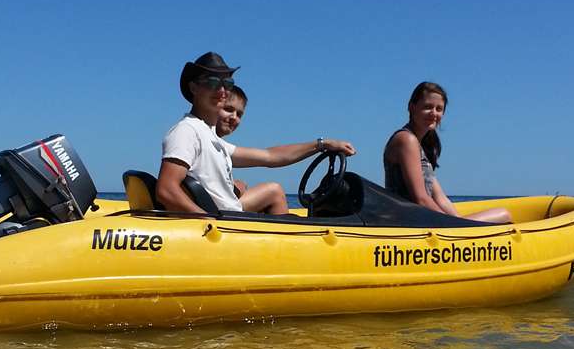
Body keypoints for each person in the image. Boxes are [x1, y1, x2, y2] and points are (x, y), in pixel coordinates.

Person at [157, 52, 356, 215]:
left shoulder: (209, 136)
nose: (222, 90)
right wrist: (209, 222)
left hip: (227, 215)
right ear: (193, 88)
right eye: (211, 82)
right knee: (275, 191)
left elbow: (271, 156)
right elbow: (166, 190)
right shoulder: (187, 131)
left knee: (271, 190)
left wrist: (322, 144)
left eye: (227, 84)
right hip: (223, 223)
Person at [383, 82, 511, 223]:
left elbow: (440, 198)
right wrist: (452, 224)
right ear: (411, 107)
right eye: (427, 107)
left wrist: (457, 220)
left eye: (439, 109)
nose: (434, 113)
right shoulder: (406, 139)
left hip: (423, 219)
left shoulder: (420, 146)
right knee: (503, 214)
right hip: (410, 223)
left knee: (502, 214)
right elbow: (420, 198)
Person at [216, 85, 249, 196]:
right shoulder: (191, 133)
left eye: (239, 114)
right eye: (228, 109)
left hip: (215, 206)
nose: (234, 117)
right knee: (274, 191)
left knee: (241, 185)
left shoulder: (218, 144)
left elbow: (269, 156)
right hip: (213, 210)